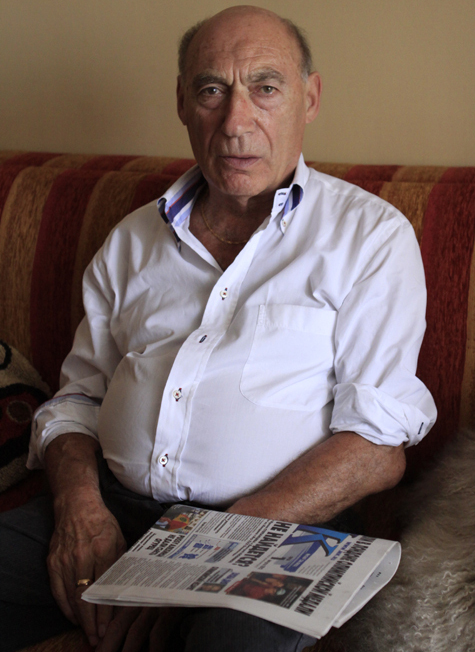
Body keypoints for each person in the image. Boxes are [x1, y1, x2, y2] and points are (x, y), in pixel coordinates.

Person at [0, 5, 437, 652]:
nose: (236, 122)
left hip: (278, 527)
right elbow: (77, 403)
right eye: (211, 90)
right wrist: (79, 508)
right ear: (182, 103)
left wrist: (198, 556)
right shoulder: (130, 242)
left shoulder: (369, 237)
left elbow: (376, 447)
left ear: (309, 98)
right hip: (116, 509)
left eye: (266, 87)